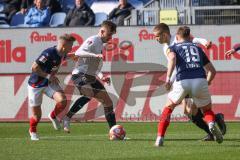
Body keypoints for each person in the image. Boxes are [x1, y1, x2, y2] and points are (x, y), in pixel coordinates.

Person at [153, 23, 226, 141]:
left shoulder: (176, 41)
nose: (155, 39)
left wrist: (204, 41)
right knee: (188, 111)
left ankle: (213, 128)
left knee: (188, 110)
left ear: (165, 34)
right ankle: (214, 121)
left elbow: (193, 39)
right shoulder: (165, 47)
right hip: (191, 78)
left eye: (157, 36)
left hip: (185, 78)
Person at [62, 20, 117, 133]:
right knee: (89, 94)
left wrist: (101, 76)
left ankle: (114, 131)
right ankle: (67, 118)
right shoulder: (93, 40)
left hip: (91, 76)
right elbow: (78, 52)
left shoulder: (100, 44)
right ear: (102, 31)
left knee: (108, 102)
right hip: (79, 74)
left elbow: (94, 66)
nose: (110, 37)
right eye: (109, 34)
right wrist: (94, 55)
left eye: (112, 35)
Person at [28, 34, 75, 140]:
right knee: (37, 116)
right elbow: (34, 67)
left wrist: (75, 55)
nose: (71, 48)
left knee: (62, 100)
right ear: (63, 46)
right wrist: (49, 76)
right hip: (36, 85)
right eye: (70, 46)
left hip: (49, 83)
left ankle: (53, 116)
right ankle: (33, 131)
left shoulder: (62, 52)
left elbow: (65, 57)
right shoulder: (48, 53)